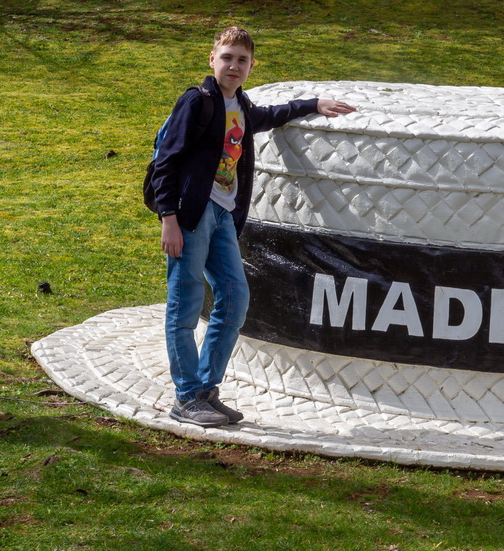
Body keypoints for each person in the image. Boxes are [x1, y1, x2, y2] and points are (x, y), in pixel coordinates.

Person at [151, 26, 356, 427]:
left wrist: (314, 104)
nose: (234, 66)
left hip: (223, 217)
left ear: (251, 66)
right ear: (212, 59)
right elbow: (166, 162)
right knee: (185, 306)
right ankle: (186, 397)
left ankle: (206, 391)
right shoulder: (196, 102)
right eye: (227, 57)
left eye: (242, 60)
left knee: (235, 298)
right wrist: (169, 220)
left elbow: (271, 115)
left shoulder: (241, 106)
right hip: (190, 217)